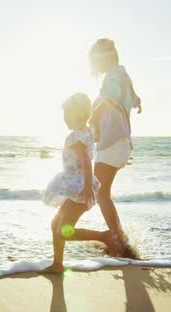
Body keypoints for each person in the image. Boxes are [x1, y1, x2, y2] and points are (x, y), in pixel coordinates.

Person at [41, 93, 118, 274]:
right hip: (75, 185)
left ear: (77, 115)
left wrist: (86, 185)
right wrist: (104, 105)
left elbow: (85, 160)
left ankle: (104, 236)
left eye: (67, 114)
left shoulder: (74, 137)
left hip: (78, 188)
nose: (65, 118)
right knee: (56, 225)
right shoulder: (88, 131)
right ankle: (58, 264)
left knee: (62, 229)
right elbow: (94, 127)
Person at [89, 38, 141, 258]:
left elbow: (111, 97)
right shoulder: (122, 75)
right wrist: (138, 103)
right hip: (120, 143)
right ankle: (118, 241)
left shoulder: (113, 76)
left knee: (101, 194)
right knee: (102, 193)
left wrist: (94, 114)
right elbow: (135, 98)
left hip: (113, 143)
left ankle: (118, 244)